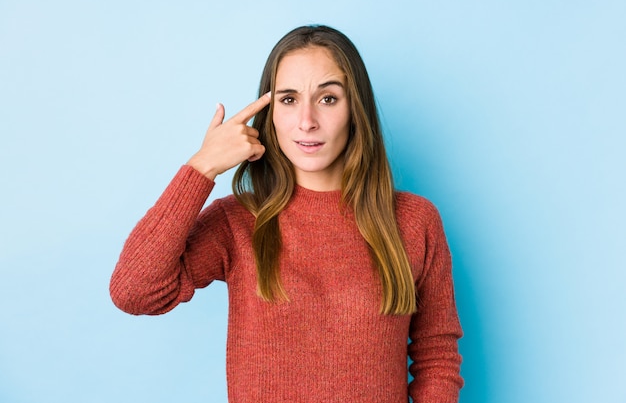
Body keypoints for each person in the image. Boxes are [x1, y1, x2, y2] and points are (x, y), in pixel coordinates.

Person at [110, 25, 463, 402]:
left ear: (355, 109)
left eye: (328, 99)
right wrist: (203, 167)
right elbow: (134, 292)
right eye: (289, 100)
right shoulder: (238, 221)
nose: (307, 121)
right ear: (270, 114)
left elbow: (436, 356)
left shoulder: (413, 221)